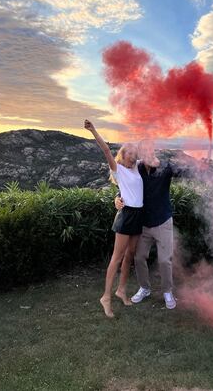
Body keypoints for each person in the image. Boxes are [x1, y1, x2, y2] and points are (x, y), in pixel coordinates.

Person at [115, 139, 187, 310]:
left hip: (163, 222)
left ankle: (168, 292)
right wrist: (117, 199)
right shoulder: (136, 169)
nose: (147, 153)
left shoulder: (164, 167)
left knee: (164, 260)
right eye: (143, 150)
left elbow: (183, 172)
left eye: (149, 150)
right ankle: (145, 288)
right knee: (139, 257)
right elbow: (125, 187)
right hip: (144, 225)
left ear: (153, 150)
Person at [84, 119, 143, 318]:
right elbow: (106, 151)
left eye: (135, 153)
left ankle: (121, 290)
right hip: (126, 216)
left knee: (130, 256)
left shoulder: (137, 168)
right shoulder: (118, 170)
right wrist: (93, 131)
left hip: (138, 215)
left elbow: (150, 149)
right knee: (117, 258)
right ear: (123, 155)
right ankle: (106, 297)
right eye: (130, 153)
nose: (134, 156)